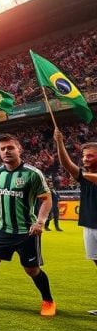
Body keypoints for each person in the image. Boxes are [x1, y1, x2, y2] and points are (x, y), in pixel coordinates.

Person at [0, 135, 54, 316]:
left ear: (19, 150)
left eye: (10, 148)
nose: (6, 151)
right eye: (2, 149)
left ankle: (48, 301)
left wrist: (40, 222)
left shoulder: (32, 173)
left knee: (31, 270)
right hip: (3, 229)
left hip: (26, 231)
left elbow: (46, 199)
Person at [52, 129, 97, 315]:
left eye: (90, 156)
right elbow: (66, 164)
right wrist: (59, 142)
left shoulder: (86, 176)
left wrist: (79, 173)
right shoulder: (85, 176)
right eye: (84, 156)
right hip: (89, 225)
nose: (85, 159)